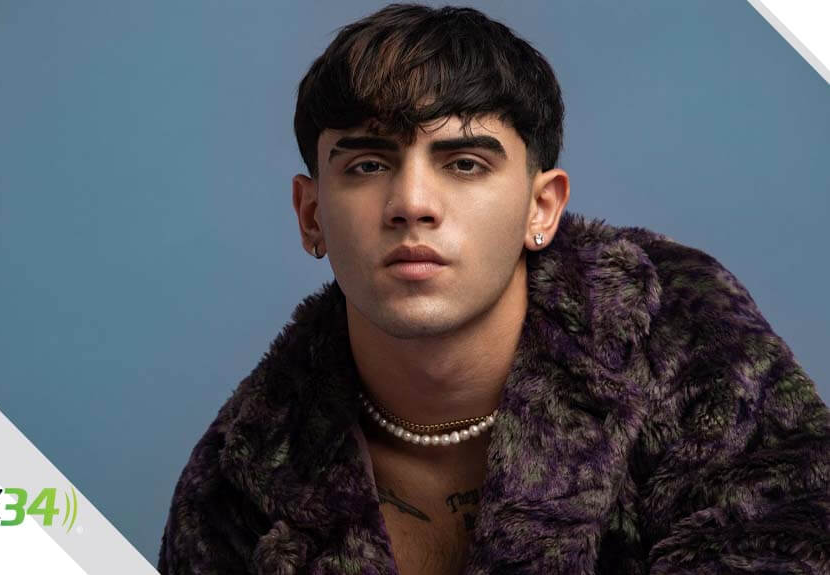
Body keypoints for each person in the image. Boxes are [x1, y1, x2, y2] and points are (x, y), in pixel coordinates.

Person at [158, 4, 830, 574]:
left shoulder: (685, 344)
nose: (412, 203)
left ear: (542, 208)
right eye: (366, 164)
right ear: (311, 216)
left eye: (464, 164)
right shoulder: (241, 481)